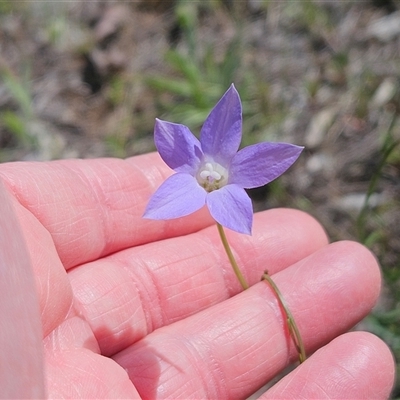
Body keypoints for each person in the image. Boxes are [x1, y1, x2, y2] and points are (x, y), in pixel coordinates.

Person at [0, 153, 395, 399]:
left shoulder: (232, 183)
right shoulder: (191, 176)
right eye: (208, 176)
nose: (211, 177)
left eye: (215, 177)